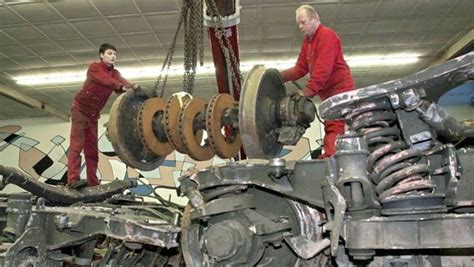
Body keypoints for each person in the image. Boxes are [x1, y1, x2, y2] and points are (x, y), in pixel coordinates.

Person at [280, 5, 355, 159]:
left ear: (314, 19)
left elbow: (323, 70)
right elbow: (300, 69)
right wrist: (277, 77)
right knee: (331, 124)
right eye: (298, 24)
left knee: (335, 125)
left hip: (340, 90)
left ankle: (331, 158)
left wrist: (306, 91)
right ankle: (331, 156)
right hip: (328, 93)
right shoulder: (308, 43)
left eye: (303, 22)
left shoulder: (327, 36)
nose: (300, 27)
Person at [67, 43, 137, 188]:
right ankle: (73, 180)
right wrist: (120, 87)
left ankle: (93, 183)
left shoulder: (115, 73)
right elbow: (106, 81)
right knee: (76, 146)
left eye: (115, 54)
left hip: (93, 116)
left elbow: (123, 83)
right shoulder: (95, 68)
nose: (113, 57)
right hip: (80, 111)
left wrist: (134, 88)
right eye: (110, 53)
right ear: (101, 55)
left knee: (92, 151)